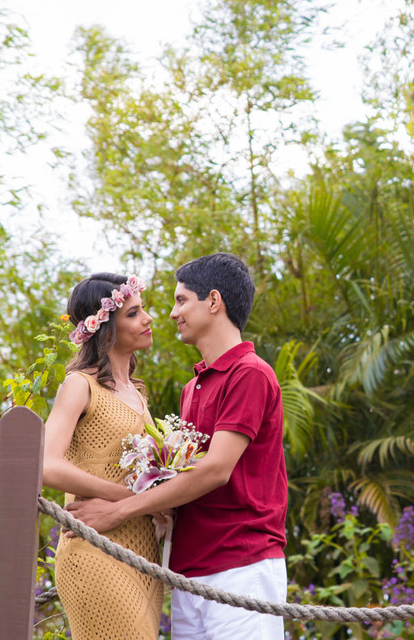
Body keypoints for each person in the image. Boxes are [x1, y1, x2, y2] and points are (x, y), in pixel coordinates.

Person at [68, 252, 289, 640]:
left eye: (181, 300)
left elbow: (216, 470)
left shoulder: (250, 373)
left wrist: (118, 511)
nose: (172, 314)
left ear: (214, 301)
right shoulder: (193, 388)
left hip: (242, 565)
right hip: (188, 572)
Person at [42, 273, 164, 640]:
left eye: (143, 310)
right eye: (134, 313)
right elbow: (47, 465)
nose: (148, 319)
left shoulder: (138, 394)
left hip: (143, 554)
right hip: (93, 549)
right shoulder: (80, 385)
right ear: (105, 327)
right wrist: (127, 498)